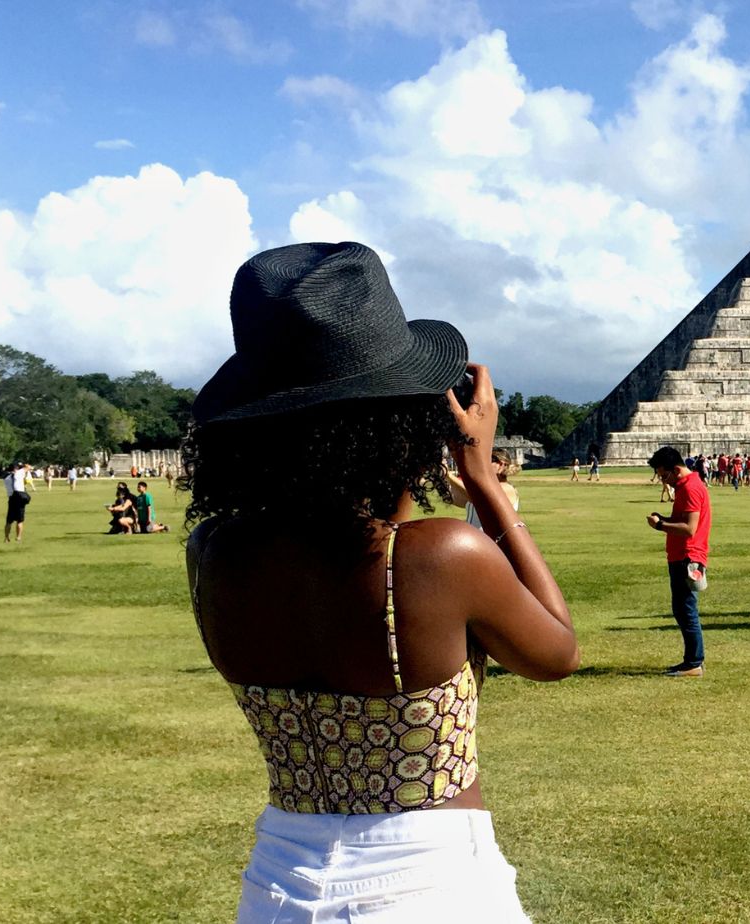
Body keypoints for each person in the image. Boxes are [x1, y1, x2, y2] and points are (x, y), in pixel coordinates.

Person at [182, 242, 576, 921]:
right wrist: (480, 476)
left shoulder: (212, 551)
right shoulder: (437, 555)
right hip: (428, 882)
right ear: (403, 424)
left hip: (280, 882)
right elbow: (556, 654)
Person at [646, 446, 712, 677]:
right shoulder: (687, 486)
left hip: (687, 556)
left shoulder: (690, 488)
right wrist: (664, 519)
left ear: (676, 469)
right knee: (682, 609)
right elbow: (681, 520)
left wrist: (660, 525)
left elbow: (689, 528)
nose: (665, 481)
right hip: (681, 555)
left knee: (686, 610)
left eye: (665, 476)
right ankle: (691, 660)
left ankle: (694, 662)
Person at [446, 448, 520, 530]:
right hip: (476, 540)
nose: (482, 465)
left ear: (502, 465)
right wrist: (440, 476)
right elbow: (453, 498)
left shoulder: (506, 488)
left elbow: (477, 497)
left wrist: (448, 475)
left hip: (492, 541)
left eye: (488, 460)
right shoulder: (480, 490)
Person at [3, 461, 32, 542]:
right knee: (20, 520)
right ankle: (18, 537)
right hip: (19, 497)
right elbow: (29, 467)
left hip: (11, 498)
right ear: (16, 468)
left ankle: (6, 538)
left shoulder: (6, 478)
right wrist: (25, 465)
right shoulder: (18, 473)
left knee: (9, 521)